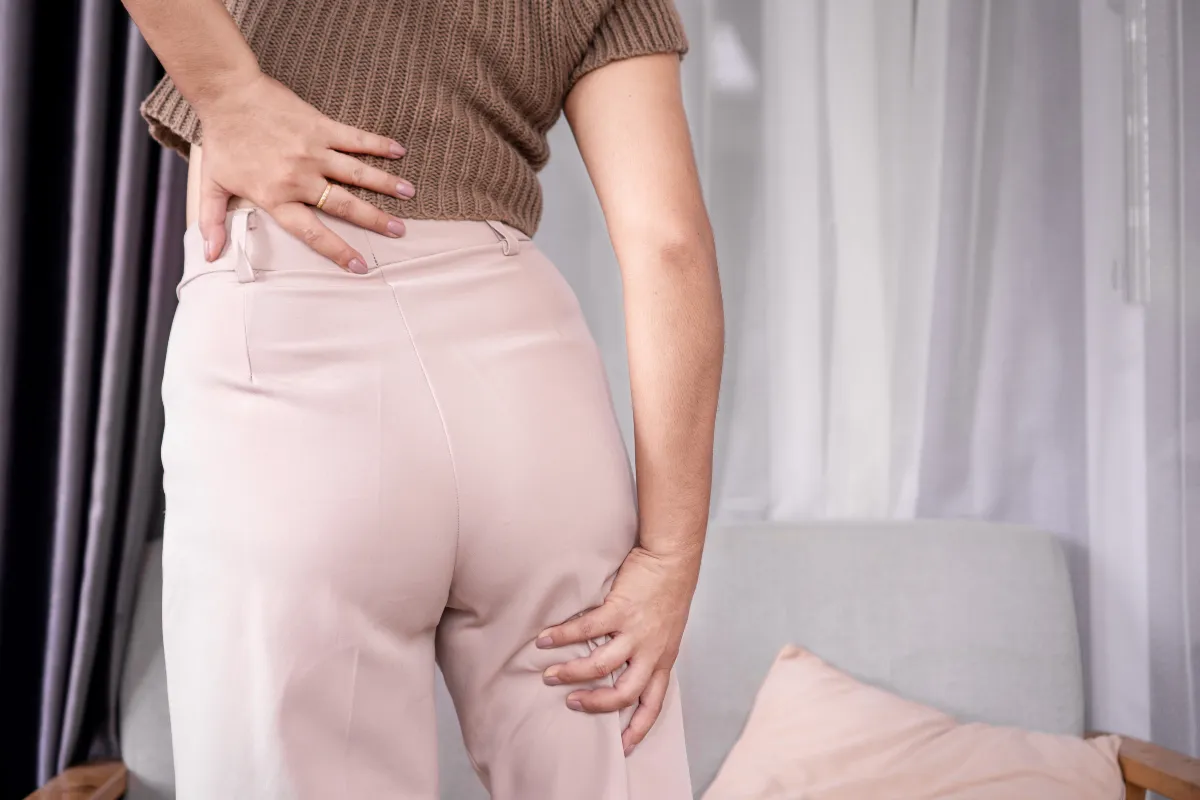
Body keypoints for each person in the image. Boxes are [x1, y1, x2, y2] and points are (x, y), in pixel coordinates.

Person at [125, 0, 723, 797]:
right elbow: (668, 240)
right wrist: (671, 554)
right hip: (527, 372)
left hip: (290, 324)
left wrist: (230, 93)